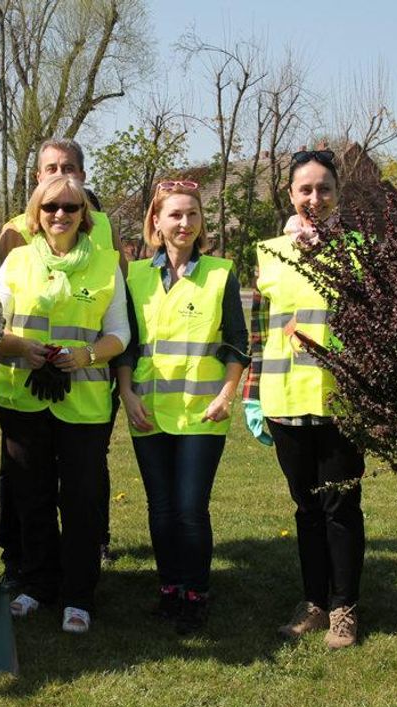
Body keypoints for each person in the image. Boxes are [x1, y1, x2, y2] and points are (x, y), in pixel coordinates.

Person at [242, 149, 366, 649]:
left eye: (324, 188)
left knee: (341, 507)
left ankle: (344, 608)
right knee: (306, 509)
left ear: (338, 194)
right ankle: (314, 602)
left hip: (341, 402)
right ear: (290, 194)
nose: (315, 198)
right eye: (305, 189)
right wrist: (253, 396)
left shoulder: (360, 251)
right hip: (284, 398)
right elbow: (256, 333)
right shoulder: (268, 253)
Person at [0, 175, 129, 634]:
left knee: (82, 501)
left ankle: (78, 594)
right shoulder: (15, 261)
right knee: (30, 496)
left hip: (85, 402)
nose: (60, 215)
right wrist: (20, 348)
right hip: (23, 397)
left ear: (83, 215)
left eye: (71, 208)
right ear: (36, 212)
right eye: (51, 206)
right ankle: (36, 584)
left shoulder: (107, 264)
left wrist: (87, 355)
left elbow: (120, 334)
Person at [114, 180, 248, 635]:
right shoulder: (134, 276)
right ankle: (169, 588)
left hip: (201, 412)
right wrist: (127, 394)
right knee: (161, 508)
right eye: (175, 215)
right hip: (147, 410)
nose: (184, 223)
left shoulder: (219, 273)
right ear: (156, 221)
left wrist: (226, 395)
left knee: (191, 508)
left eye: (192, 215)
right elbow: (127, 346)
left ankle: (195, 592)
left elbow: (236, 344)